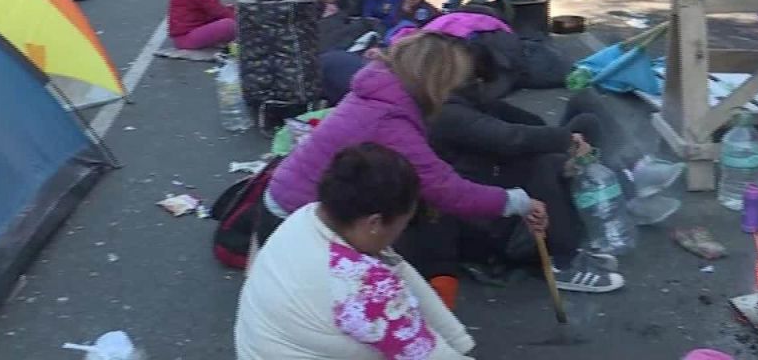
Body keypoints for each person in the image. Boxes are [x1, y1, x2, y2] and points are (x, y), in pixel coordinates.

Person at [260, 32, 548, 257]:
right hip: (296, 224)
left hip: (286, 204)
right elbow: (447, 190)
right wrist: (517, 201)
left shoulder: (380, 91)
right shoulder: (390, 120)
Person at [237, 143, 477, 359]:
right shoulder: (361, 283)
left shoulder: (309, 217)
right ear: (374, 223)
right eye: (403, 224)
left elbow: (397, 267)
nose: (400, 233)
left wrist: (458, 341)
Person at [426, 86, 625, 293]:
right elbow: (508, 138)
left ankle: (631, 177)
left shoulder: (468, 96)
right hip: (486, 221)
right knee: (543, 163)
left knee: (585, 118)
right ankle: (563, 263)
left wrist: (568, 148)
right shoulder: (446, 112)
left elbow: (530, 125)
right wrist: (564, 144)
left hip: (498, 181)